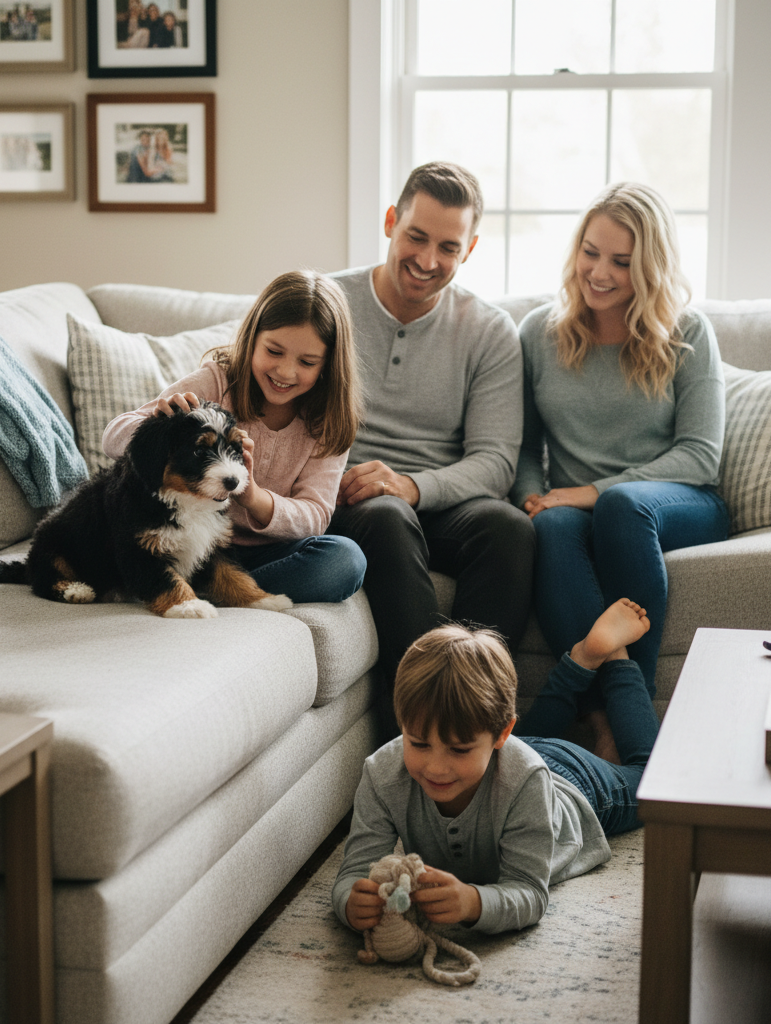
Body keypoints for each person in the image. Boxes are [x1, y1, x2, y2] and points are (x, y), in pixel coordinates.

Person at [328, 161, 535, 742]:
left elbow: (495, 461)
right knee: (387, 517)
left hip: (434, 497)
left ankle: (477, 724)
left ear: (470, 249)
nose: (426, 259)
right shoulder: (329, 302)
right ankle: (416, 730)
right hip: (348, 495)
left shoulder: (489, 330)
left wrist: (412, 485)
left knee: (509, 529)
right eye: (416, 236)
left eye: (448, 247)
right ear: (390, 222)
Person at [511, 182, 728, 706]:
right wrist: (534, 499)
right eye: (590, 252)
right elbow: (524, 449)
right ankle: (610, 718)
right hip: (577, 510)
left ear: (651, 268)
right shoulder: (539, 333)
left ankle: (636, 698)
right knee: (551, 526)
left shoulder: (688, 333)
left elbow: (700, 455)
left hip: (675, 504)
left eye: (622, 262)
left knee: (622, 505)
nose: (599, 272)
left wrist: (591, 491)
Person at [332, 598, 659, 935]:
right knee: (516, 743)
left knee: (653, 781)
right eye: (418, 743)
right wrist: (350, 903)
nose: (436, 768)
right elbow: (352, 873)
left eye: (458, 749)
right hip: (504, 757)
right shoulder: (382, 773)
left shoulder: (526, 780)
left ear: (502, 734)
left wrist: (473, 902)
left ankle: (615, 661)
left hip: (570, 781)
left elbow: (530, 892)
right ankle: (582, 661)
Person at [102, 270, 368, 605]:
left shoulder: (328, 420)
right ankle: (199, 584)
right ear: (253, 338)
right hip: (191, 539)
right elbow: (112, 438)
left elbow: (314, 516)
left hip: (266, 553)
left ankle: (219, 587)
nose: (285, 372)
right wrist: (159, 423)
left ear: (328, 364)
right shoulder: (216, 381)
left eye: (307, 361)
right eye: (274, 351)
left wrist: (252, 496)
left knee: (345, 560)